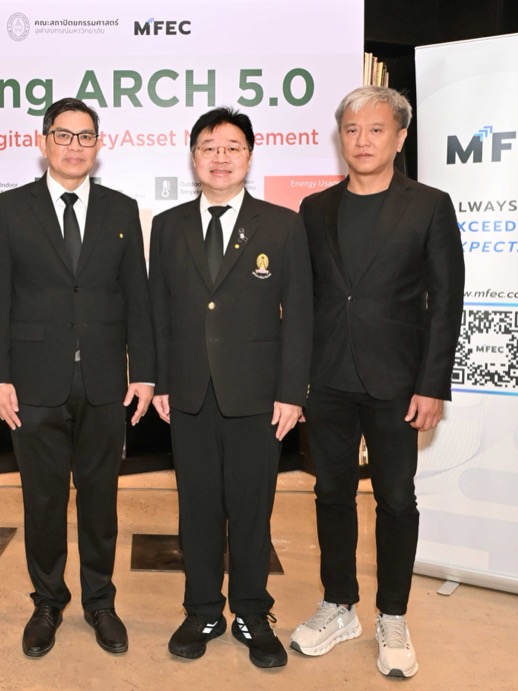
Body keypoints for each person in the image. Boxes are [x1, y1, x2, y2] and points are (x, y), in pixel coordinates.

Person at [289, 86, 465, 679]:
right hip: (327, 379)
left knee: (395, 499)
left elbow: (445, 301)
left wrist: (432, 384)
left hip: (398, 382)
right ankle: (339, 605)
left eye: (375, 129)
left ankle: (393, 614)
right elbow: (307, 299)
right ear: (340, 137)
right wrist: (297, 380)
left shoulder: (429, 205)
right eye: (352, 130)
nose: (362, 141)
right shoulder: (315, 208)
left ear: (399, 137)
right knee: (330, 495)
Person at [0, 97, 155, 658]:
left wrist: (145, 372)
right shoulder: (10, 209)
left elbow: (137, 297)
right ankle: (48, 602)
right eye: (63, 134)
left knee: (101, 500)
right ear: (43, 141)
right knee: (43, 501)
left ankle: (100, 602)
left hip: (104, 382)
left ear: (98, 145)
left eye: (84, 137)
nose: (74, 146)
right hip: (33, 384)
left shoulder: (121, 209)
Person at [148, 107, 313, 669]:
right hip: (189, 393)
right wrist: (162, 380)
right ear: (193, 157)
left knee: (251, 509)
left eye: (232, 147)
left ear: (249, 156)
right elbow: (159, 311)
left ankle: (250, 612)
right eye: (209, 147)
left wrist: (293, 392)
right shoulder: (167, 225)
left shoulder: (282, 225)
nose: (220, 157)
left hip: (258, 397)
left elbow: (301, 315)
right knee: (195, 509)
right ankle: (201, 611)